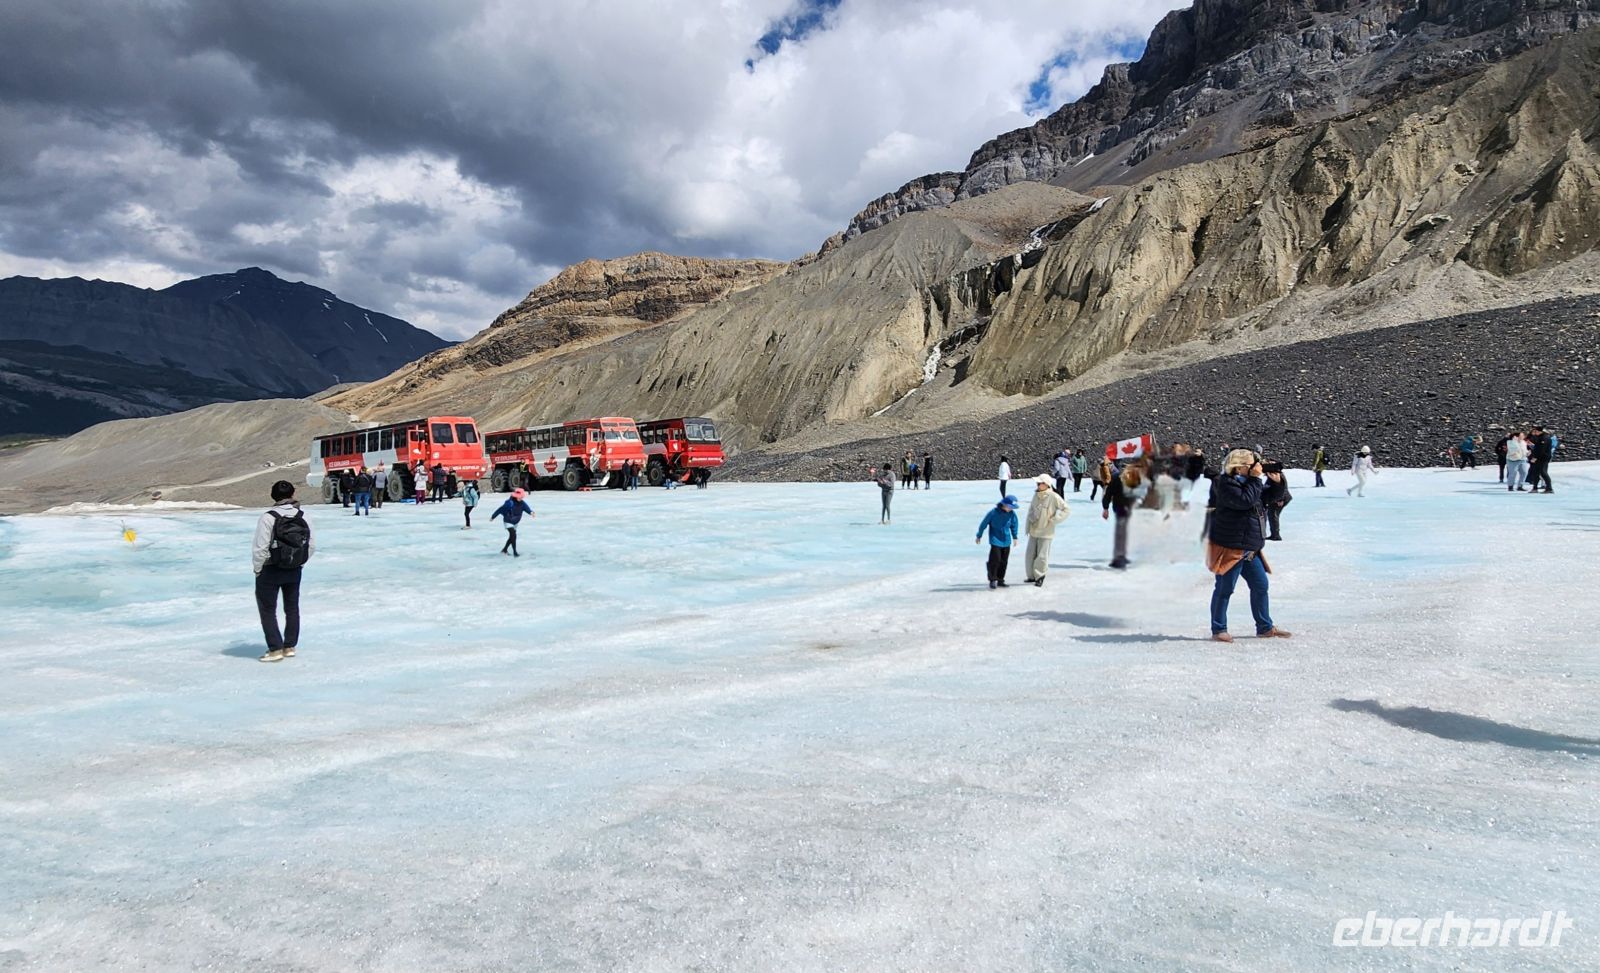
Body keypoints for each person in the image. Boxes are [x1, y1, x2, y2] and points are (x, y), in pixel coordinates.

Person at [1206, 449, 1290, 643]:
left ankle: (1265, 627)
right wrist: (1255, 479)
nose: (1257, 468)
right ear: (1241, 466)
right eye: (1253, 464)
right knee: (1225, 589)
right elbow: (1244, 501)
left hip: (1251, 547)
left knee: (1261, 586)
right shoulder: (1225, 483)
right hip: (1232, 546)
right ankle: (1219, 629)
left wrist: (1277, 483)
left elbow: (1267, 498)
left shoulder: (1250, 483)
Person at [252, 479, 314, 663]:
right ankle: (289, 646)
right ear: (292, 494)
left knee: (268, 609)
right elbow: (311, 545)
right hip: (294, 569)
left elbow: (260, 547)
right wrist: (300, 563)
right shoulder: (303, 516)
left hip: (271, 569)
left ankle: (275, 649)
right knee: (292, 608)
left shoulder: (268, 517)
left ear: (273, 496)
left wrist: (258, 569)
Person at [1023, 474, 1070, 587]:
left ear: (1046, 484)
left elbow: (1066, 509)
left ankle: (1040, 576)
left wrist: (1054, 520)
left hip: (1046, 531)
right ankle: (1031, 576)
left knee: (1042, 555)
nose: (1038, 485)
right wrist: (1029, 523)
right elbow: (1031, 510)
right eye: (1037, 483)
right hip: (1034, 529)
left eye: (1040, 483)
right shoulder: (1036, 495)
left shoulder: (1053, 496)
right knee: (1030, 554)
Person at [1101, 464, 1146, 569]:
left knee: (1122, 531)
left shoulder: (1117, 478)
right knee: (1123, 531)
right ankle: (1120, 557)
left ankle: (1120, 556)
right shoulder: (1132, 478)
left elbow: (1108, 494)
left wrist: (1105, 508)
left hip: (1120, 507)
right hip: (1126, 507)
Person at [976, 494, 1020, 589]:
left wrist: (1015, 537)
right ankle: (992, 579)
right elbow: (983, 524)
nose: (1011, 509)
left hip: (1006, 540)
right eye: (1010, 507)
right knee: (995, 560)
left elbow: (1014, 525)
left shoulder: (1012, 514)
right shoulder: (993, 513)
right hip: (995, 540)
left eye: (1013, 508)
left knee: (1004, 561)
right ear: (1004, 504)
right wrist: (979, 535)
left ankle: (1000, 579)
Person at [491, 487, 534, 556]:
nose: (521, 499)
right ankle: (515, 552)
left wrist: (531, 512)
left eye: (522, 497)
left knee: (512, 537)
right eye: (520, 497)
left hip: (515, 522)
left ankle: (504, 550)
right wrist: (493, 516)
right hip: (508, 521)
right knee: (513, 535)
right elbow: (500, 509)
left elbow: (526, 508)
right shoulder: (509, 503)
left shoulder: (522, 503)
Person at [1261, 462, 1291, 541]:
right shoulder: (1272, 475)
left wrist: (1281, 499)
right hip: (1275, 499)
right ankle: (1274, 534)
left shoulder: (1278, 475)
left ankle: (1276, 535)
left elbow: (1284, 487)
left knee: (1273, 515)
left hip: (1280, 499)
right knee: (1272, 515)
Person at [1526, 426, 1554, 493]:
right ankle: (1535, 488)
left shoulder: (1544, 438)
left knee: (1543, 472)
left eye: (1536, 431)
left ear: (1539, 431)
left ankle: (1549, 488)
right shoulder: (1539, 437)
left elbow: (1541, 450)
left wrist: (1535, 457)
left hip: (1543, 458)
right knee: (1536, 473)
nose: (1534, 433)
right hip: (1539, 458)